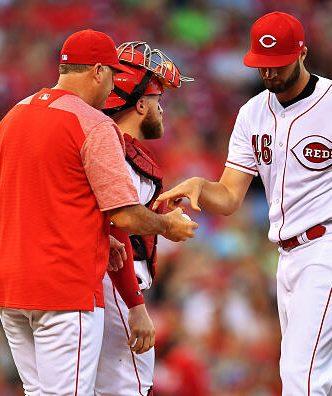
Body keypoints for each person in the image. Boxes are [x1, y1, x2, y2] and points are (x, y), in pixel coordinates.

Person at [153, 11, 332, 395]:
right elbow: (228, 197)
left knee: (301, 374)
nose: (270, 73)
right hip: (288, 256)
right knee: (324, 376)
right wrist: (198, 186)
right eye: (263, 65)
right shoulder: (251, 113)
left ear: (302, 53)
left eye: (278, 64)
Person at [0, 29, 197, 396]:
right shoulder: (93, 123)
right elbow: (127, 217)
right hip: (65, 288)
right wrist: (167, 225)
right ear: (98, 71)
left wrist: (100, 236)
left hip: (10, 288)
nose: (113, 84)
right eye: (113, 75)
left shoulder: (12, 117)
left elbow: (18, 200)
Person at [93, 41, 194, 396]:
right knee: (130, 389)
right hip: (114, 284)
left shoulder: (98, 143)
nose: (161, 110)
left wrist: (160, 210)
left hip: (95, 285)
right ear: (139, 103)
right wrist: (136, 306)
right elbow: (118, 229)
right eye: (158, 101)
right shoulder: (118, 151)